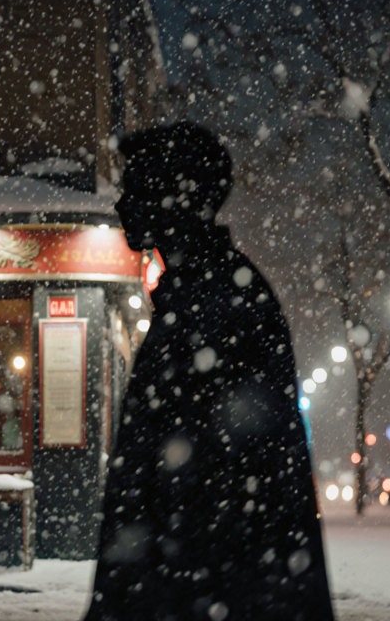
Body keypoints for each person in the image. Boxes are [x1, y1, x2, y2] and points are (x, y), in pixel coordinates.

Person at [84, 122, 335, 621]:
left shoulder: (216, 304)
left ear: (173, 194)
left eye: (132, 186)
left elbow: (208, 496)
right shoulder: (206, 292)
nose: (120, 203)